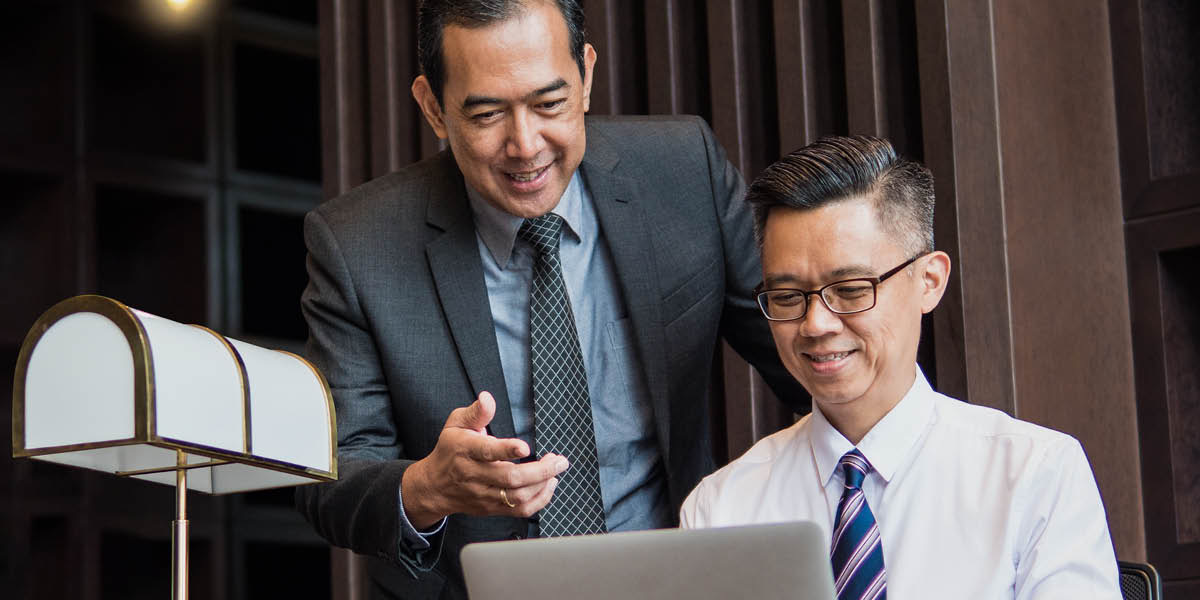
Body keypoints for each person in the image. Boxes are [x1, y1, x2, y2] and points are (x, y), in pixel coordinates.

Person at [295, 0, 805, 597]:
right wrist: (428, 486)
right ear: (434, 107)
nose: (525, 144)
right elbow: (328, 477)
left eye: (549, 103)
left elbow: (802, 353)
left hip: (674, 579)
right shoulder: (358, 245)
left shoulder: (682, 171)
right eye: (486, 114)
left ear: (586, 76)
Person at [680, 136, 1121, 599]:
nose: (816, 324)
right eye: (789, 297)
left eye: (850, 289)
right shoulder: (720, 510)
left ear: (929, 281)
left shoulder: (1034, 475)